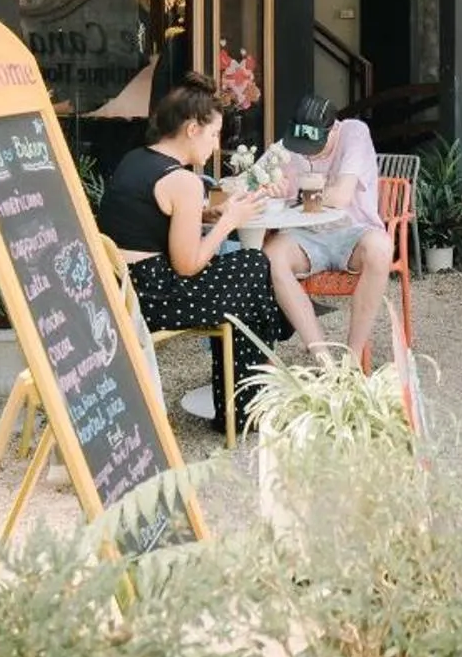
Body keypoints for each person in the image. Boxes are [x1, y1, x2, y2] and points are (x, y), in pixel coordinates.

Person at [98, 74, 318, 430]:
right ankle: (246, 407)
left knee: (249, 278)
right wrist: (228, 221)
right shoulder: (183, 182)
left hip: (123, 288)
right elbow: (187, 266)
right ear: (191, 129)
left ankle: (248, 404)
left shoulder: (136, 161)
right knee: (253, 268)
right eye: (215, 134)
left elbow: (145, 215)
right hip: (155, 297)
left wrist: (206, 214)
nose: (216, 146)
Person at [265, 94, 394, 365]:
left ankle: (352, 361)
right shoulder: (288, 145)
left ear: (333, 128)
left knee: (381, 248)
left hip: (354, 230)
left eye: (317, 146)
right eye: (303, 145)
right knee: (271, 256)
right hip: (305, 235)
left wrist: (297, 188)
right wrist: (268, 188)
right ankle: (324, 361)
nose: (308, 152)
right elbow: (250, 182)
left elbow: (342, 196)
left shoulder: (353, 133)